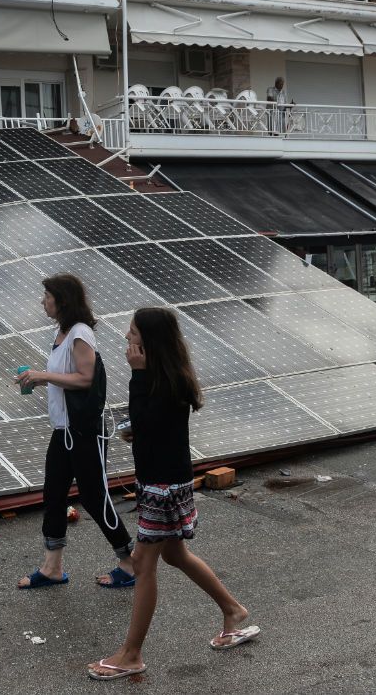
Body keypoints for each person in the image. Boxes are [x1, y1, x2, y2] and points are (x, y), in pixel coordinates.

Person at [87, 308, 259, 681]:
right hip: (165, 480)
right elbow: (154, 425)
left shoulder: (160, 379)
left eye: (132, 333)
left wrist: (136, 375)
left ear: (149, 341)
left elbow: (151, 417)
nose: (127, 339)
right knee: (176, 555)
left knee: (143, 565)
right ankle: (233, 611)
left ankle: (132, 654)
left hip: (162, 486)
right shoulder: (166, 376)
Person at [15, 273, 136, 590]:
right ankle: (52, 566)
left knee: (95, 497)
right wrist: (43, 379)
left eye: (47, 296)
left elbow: (85, 377)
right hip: (64, 430)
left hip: (84, 431)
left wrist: (44, 374)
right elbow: (66, 376)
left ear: (62, 300)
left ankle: (129, 561)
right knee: (53, 494)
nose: (43, 301)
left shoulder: (80, 333)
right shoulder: (62, 333)